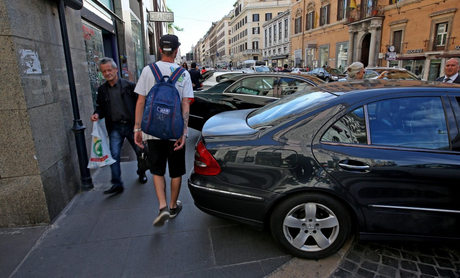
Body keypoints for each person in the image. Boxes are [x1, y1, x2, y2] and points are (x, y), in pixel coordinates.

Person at [134, 34, 194, 227]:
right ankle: (173, 206)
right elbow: (186, 105)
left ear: (160, 49)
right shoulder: (183, 74)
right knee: (176, 171)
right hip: (174, 132)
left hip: (152, 130)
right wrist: (184, 133)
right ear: (176, 51)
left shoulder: (147, 70)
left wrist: (137, 128)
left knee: (157, 170)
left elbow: (141, 101)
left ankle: (162, 207)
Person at [91, 57, 148, 195]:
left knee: (141, 153)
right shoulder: (102, 90)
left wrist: (140, 126)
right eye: (104, 71)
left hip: (131, 126)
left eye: (109, 70)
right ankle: (117, 183)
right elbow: (101, 108)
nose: (107, 73)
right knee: (114, 155)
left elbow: (141, 106)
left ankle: (141, 173)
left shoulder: (130, 86)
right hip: (115, 127)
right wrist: (97, 114)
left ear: (116, 70)